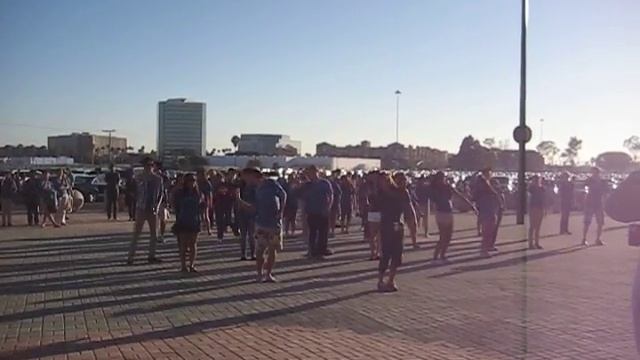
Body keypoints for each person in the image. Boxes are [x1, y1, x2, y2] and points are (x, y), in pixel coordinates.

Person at [236, 168, 287, 283]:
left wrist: (281, 211)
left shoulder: (270, 183)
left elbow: (283, 194)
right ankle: (259, 274)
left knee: (273, 249)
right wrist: (240, 201)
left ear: (252, 175)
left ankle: (268, 274)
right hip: (261, 222)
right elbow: (253, 207)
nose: (245, 180)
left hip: (274, 222)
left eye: (246, 177)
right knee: (260, 250)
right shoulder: (251, 189)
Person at [377, 173, 417, 292]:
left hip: (397, 226)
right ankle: (380, 280)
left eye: (387, 180)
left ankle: (391, 280)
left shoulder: (402, 193)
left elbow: (408, 209)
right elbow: (374, 209)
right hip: (385, 226)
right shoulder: (381, 194)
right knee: (385, 254)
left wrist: (413, 223)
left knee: (397, 255)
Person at [429, 171, 476, 263]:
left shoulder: (447, 187)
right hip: (441, 213)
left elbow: (458, 195)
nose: (443, 180)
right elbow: (433, 201)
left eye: (444, 178)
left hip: (448, 211)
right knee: (443, 236)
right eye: (442, 178)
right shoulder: (434, 189)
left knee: (448, 236)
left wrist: (471, 205)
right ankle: (435, 257)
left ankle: (442, 255)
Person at [127, 157, 164, 265]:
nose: (148, 168)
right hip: (141, 208)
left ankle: (151, 255)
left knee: (154, 234)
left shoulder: (158, 179)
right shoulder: (138, 178)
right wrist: (137, 200)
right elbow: (132, 190)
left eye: (150, 165)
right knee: (136, 234)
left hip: (152, 209)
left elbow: (161, 194)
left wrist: (157, 206)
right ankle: (130, 257)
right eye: (146, 165)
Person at [172, 173, 202, 273]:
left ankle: (192, 265)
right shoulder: (180, 193)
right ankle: (183, 265)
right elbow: (175, 206)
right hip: (183, 220)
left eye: (193, 181)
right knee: (183, 245)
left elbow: (202, 206)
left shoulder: (198, 193)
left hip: (194, 220)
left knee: (193, 244)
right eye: (190, 180)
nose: (191, 183)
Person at [303, 166, 333, 259]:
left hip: (322, 211)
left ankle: (321, 252)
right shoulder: (307, 185)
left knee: (323, 233)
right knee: (312, 233)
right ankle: (312, 251)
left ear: (317, 172)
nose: (310, 175)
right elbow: (302, 197)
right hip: (311, 212)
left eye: (312, 173)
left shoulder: (324, 183)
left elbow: (331, 195)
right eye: (309, 173)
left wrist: (328, 207)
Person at [472, 169, 501, 258]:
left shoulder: (486, 183)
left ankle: (486, 248)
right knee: (487, 230)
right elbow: (492, 193)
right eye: (488, 173)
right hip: (486, 208)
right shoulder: (483, 183)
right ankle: (483, 250)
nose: (490, 175)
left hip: (490, 208)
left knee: (490, 229)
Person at [582, 167, 607, 246]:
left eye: (596, 172)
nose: (595, 174)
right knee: (587, 222)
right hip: (590, 202)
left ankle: (598, 239)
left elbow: (605, 192)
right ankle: (584, 238)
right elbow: (585, 187)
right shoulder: (589, 180)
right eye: (593, 172)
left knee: (600, 222)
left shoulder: (602, 181)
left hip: (598, 203)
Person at [237, 176, 257, 260]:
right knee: (243, 235)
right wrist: (247, 205)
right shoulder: (241, 187)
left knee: (252, 235)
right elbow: (237, 199)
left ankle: (253, 254)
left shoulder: (255, 187)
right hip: (242, 213)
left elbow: (257, 201)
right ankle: (243, 254)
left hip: (252, 214)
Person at [364, 172, 382, 260]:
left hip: (380, 211)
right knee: (372, 234)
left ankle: (378, 252)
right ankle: (373, 252)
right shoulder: (369, 186)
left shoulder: (381, 187)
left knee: (379, 234)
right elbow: (367, 198)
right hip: (373, 211)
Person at [528, 175, 546, 250]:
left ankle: (536, 242)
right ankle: (530, 244)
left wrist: (545, 208)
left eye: (538, 179)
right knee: (532, 226)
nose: (537, 181)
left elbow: (544, 199)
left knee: (538, 226)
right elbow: (528, 198)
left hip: (540, 208)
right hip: (533, 208)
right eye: (536, 180)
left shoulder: (542, 188)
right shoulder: (531, 188)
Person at [196, 169, 213, 236]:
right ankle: (199, 228)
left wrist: (210, 202)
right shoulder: (196, 182)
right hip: (197, 200)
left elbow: (210, 193)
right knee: (199, 216)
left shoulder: (207, 183)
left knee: (206, 216)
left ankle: (209, 229)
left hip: (205, 200)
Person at [328, 170, 343, 238]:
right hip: (330, 202)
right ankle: (330, 231)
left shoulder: (336, 183)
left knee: (332, 217)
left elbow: (339, 193)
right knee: (330, 218)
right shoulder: (330, 183)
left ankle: (332, 231)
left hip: (334, 202)